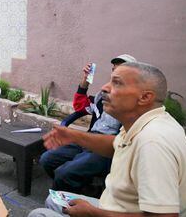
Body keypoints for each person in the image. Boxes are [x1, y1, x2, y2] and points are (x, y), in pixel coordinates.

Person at [29, 62, 186, 217]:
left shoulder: (153, 143)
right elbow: (115, 145)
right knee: (54, 199)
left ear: (145, 97)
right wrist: (74, 135)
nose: (104, 88)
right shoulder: (142, 122)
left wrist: (93, 213)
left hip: (112, 212)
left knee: (38, 214)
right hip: (115, 205)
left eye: (117, 83)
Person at [39, 54, 136, 194]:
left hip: (106, 149)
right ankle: (77, 190)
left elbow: (123, 143)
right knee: (47, 159)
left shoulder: (132, 104)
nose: (115, 74)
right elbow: (80, 106)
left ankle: (64, 198)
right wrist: (85, 80)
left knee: (63, 173)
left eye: (121, 71)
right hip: (87, 139)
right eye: (114, 70)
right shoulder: (103, 95)